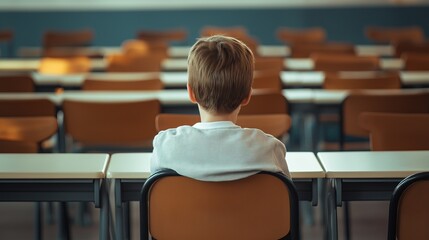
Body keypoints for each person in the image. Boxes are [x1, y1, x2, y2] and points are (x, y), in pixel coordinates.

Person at [150, 35, 290, 181]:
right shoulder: (269, 149)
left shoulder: (165, 147)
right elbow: (285, 199)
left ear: (191, 93)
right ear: (247, 96)